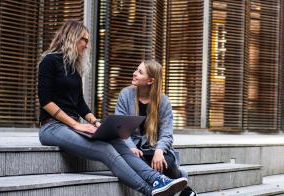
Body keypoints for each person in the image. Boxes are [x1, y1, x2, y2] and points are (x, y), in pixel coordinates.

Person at [37, 20, 187, 196]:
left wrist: (95, 122)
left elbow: (79, 103)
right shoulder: (49, 61)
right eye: (84, 39)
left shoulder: (74, 68)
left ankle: (158, 179)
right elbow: (45, 101)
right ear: (72, 37)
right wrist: (76, 125)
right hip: (52, 127)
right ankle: (150, 190)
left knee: (117, 139)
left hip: (71, 126)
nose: (86, 44)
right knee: (105, 149)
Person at [115, 60, 197, 196]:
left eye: (140, 72)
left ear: (150, 81)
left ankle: (178, 186)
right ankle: (185, 191)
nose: (134, 73)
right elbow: (120, 125)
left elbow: (167, 134)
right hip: (133, 149)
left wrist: (159, 151)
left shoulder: (163, 101)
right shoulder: (125, 94)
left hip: (154, 148)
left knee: (167, 163)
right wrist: (130, 146)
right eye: (136, 70)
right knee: (137, 163)